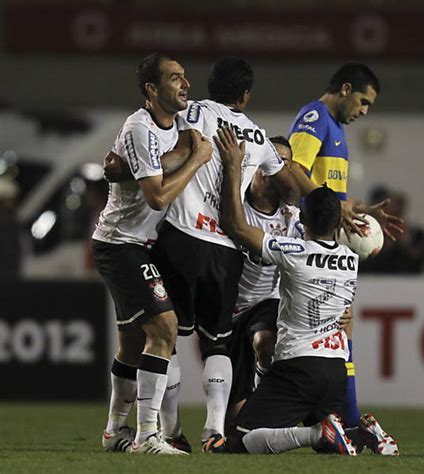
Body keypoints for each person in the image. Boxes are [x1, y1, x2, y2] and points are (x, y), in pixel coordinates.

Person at [153, 57, 300, 451]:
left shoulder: (194, 111)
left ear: (209, 84)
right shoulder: (257, 135)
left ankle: (170, 432)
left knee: (164, 339)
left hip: (181, 236)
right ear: (246, 96)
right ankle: (214, 430)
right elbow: (289, 182)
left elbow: (166, 133)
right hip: (225, 250)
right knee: (216, 343)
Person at [92, 53, 212, 455]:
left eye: (185, 76)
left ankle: (114, 432)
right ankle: (147, 436)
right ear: (151, 89)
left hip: (138, 244)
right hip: (120, 243)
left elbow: (156, 161)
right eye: (176, 78)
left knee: (131, 342)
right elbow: (157, 196)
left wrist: (125, 168)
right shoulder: (139, 127)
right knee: (164, 328)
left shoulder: (179, 122)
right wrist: (196, 158)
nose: (186, 84)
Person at [215, 126, 358, 455]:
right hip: (329, 363)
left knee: (238, 439)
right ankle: (361, 433)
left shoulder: (292, 238)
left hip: (287, 345)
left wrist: (231, 166)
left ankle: (312, 429)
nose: (276, 171)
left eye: (284, 165)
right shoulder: (350, 258)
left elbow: (236, 226)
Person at [288, 63, 401, 454]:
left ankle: (345, 422)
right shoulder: (315, 116)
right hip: (308, 243)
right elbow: (292, 170)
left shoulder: (335, 130)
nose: (364, 111)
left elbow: (330, 194)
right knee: (336, 334)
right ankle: (346, 423)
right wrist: (335, 208)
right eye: (364, 101)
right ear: (347, 88)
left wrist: (362, 211)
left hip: (328, 244)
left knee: (340, 333)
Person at [226, 136, 304, 423]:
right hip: (231, 309)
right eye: (277, 162)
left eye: (287, 164)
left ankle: (265, 399)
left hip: (268, 301)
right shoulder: (235, 206)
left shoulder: (291, 216)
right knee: (233, 423)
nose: (282, 171)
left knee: (265, 341)